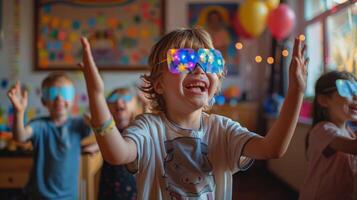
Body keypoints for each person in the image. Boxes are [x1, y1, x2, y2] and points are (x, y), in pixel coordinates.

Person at [79, 27, 308, 199]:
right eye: (184, 60)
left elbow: (272, 148)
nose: (198, 69)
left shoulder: (222, 129)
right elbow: (116, 154)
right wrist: (97, 95)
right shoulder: (148, 128)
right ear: (158, 84)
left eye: (208, 61)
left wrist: (296, 92)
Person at [7, 73, 93, 199]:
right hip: (38, 195)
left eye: (65, 93)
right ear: (43, 101)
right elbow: (20, 137)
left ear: (72, 100)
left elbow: (101, 134)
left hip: (68, 197)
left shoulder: (79, 125)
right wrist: (19, 112)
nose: (59, 99)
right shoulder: (39, 125)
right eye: (52, 93)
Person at [299, 71, 357, 200]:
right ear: (324, 100)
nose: (356, 96)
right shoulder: (322, 130)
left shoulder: (350, 133)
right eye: (347, 90)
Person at [97, 87, 139, 200]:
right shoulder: (108, 130)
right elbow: (101, 138)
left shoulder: (138, 129)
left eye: (125, 98)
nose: (119, 101)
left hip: (133, 188)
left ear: (134, 105)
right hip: (109, 188)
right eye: (113, 99)